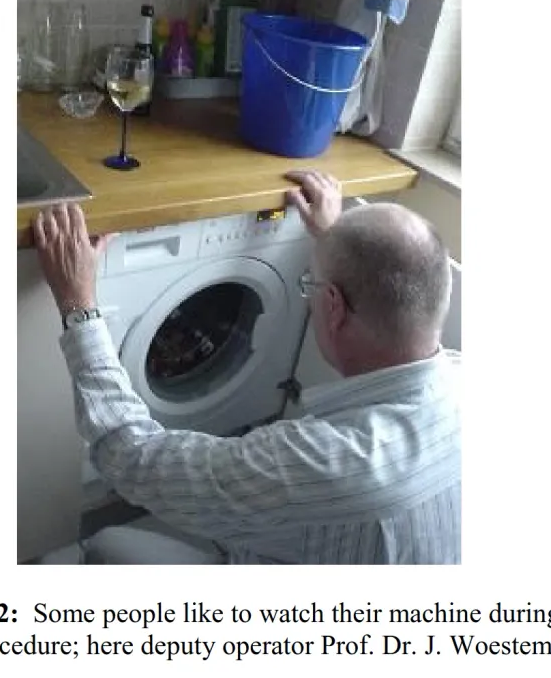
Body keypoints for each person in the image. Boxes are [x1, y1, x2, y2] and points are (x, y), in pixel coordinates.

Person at [33, 170, 460, 564]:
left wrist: (79, 305)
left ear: (333, 305)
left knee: (109, 546)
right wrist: (338, 247)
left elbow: (129, 456)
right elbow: (390, 282)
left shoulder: (314, 465)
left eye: (309, 286)